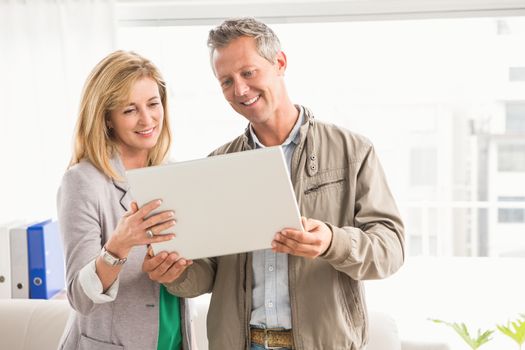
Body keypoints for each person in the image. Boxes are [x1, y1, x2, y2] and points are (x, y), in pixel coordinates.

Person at [143, 17, 405, 350]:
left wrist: (332, 242)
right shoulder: (217, 165)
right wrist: (175, 274)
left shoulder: (352, 152)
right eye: (226, 81)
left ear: (279, 63)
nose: (239, 89)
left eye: (248, 73)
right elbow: (209, 273)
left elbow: (391, 249)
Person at [57, 50, 194, 350]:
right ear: (107, 118)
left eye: (153, 104)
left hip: (173, 340)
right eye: (130, 110)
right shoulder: (82, 182)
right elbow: (79, 297)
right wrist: (118, 246)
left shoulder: (174, 174)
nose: (147, 119)